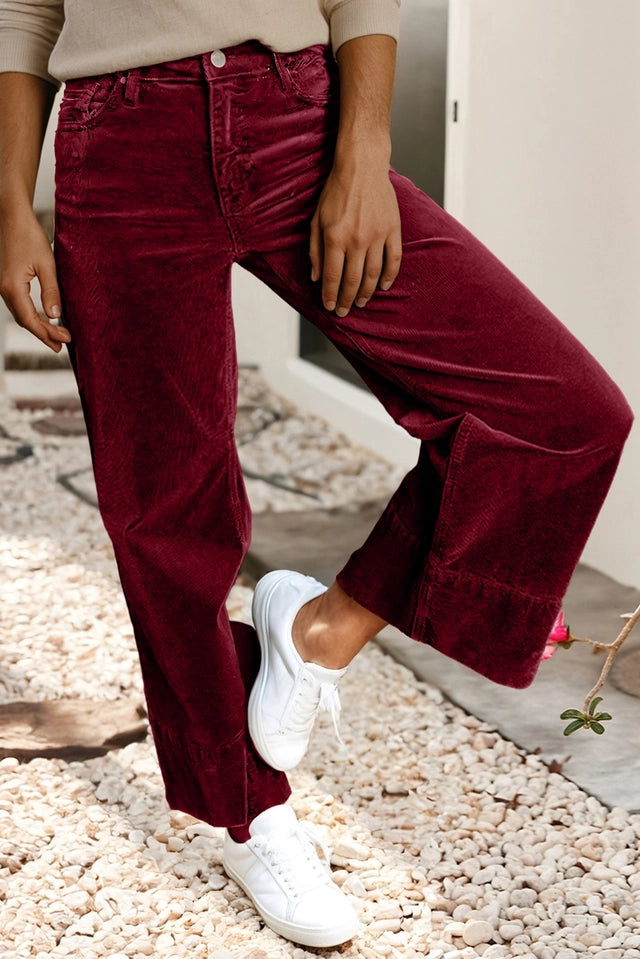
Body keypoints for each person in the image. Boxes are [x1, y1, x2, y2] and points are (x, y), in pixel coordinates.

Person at [0, 0, 633, 949]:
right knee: (164, 515)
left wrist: (363, 151)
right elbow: (26, 8)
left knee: (560, 409)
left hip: (294, 118)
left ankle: (321, 629)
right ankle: (250, 817)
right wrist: (10, 203)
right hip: (120, 146)